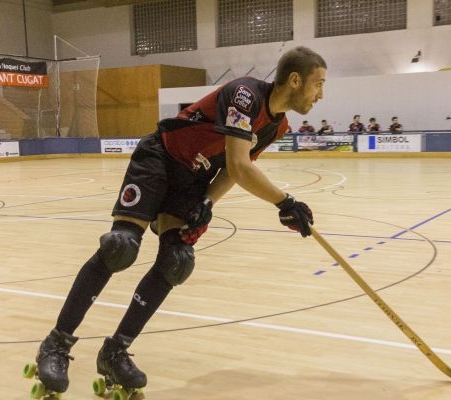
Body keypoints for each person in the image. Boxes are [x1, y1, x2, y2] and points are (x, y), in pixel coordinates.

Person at [29, 46, 326, 396]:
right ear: (295, 80)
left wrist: (206, 201)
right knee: (120, 248)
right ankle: (56, 345)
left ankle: (115, 351)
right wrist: (285, 202)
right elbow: (240, 167)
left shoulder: (278, 126)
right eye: (318, 84)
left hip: (192, 181)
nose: (320, 94)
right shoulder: (245, 95)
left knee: (176, 262)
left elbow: (235, 168)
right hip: (160, 158)